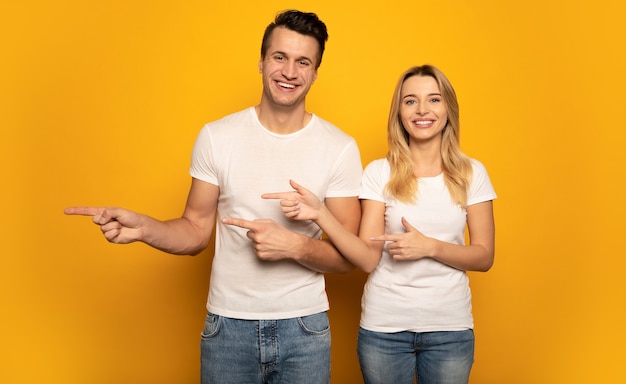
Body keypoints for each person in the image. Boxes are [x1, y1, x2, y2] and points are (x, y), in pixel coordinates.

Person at [65, 9, 362, 384]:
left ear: (316, 72)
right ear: (261, 61)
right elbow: (195, 230)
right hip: (227, 327)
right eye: (280, 57)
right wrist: (146, 229)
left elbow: (347, 256)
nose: (290, 72)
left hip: (304, 327)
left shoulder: (339, 148)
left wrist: (295, 247)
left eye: (303, 62)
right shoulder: (217, 137)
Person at [264, 64, 497, 384]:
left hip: (450, 331)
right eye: (410, 101)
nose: (422, 110)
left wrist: (430, 247)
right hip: (384, 332)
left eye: (434, 99)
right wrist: (320, 213)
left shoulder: (472, 173)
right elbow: (367, 257)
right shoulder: (378, 173)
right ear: (399, 112)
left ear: (448, 109)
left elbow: (484, 256)